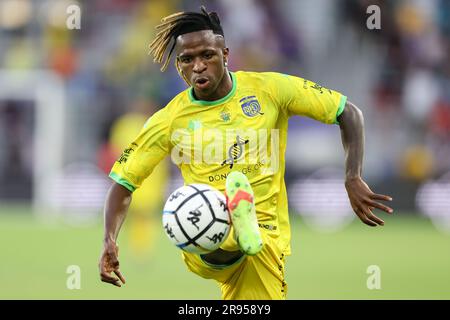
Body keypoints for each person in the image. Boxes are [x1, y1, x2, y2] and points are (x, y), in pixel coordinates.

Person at [98, 6, 393, 299]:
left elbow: (347, 112)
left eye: (207, 55)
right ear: (179, 67)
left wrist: (353, 176)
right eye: (187, 59)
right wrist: (109, 239)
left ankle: (239, 225)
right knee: (200, 218)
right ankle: (234, 221)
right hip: (201, 233)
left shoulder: (270, 89)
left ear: (225, 55)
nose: (198, 66)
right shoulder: (168, 119)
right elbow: (124, 182)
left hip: (264, 238)